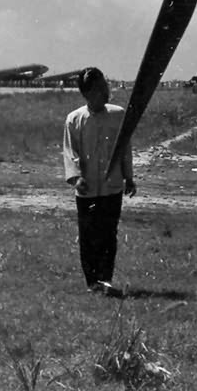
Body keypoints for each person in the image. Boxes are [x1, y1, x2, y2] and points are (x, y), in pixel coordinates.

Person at [61, 67, 136, 295]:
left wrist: (129, 177)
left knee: (109, 234)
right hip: (87, 189)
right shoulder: (75, 119)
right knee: (88, 235)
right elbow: (69, 151)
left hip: (112, 187)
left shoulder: (118, 114)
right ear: (87, 93)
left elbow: (125, 148)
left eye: (106, 86)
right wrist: (76, 178)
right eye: (99, 89)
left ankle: (105, 279)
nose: (106, 92)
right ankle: (92, 281)